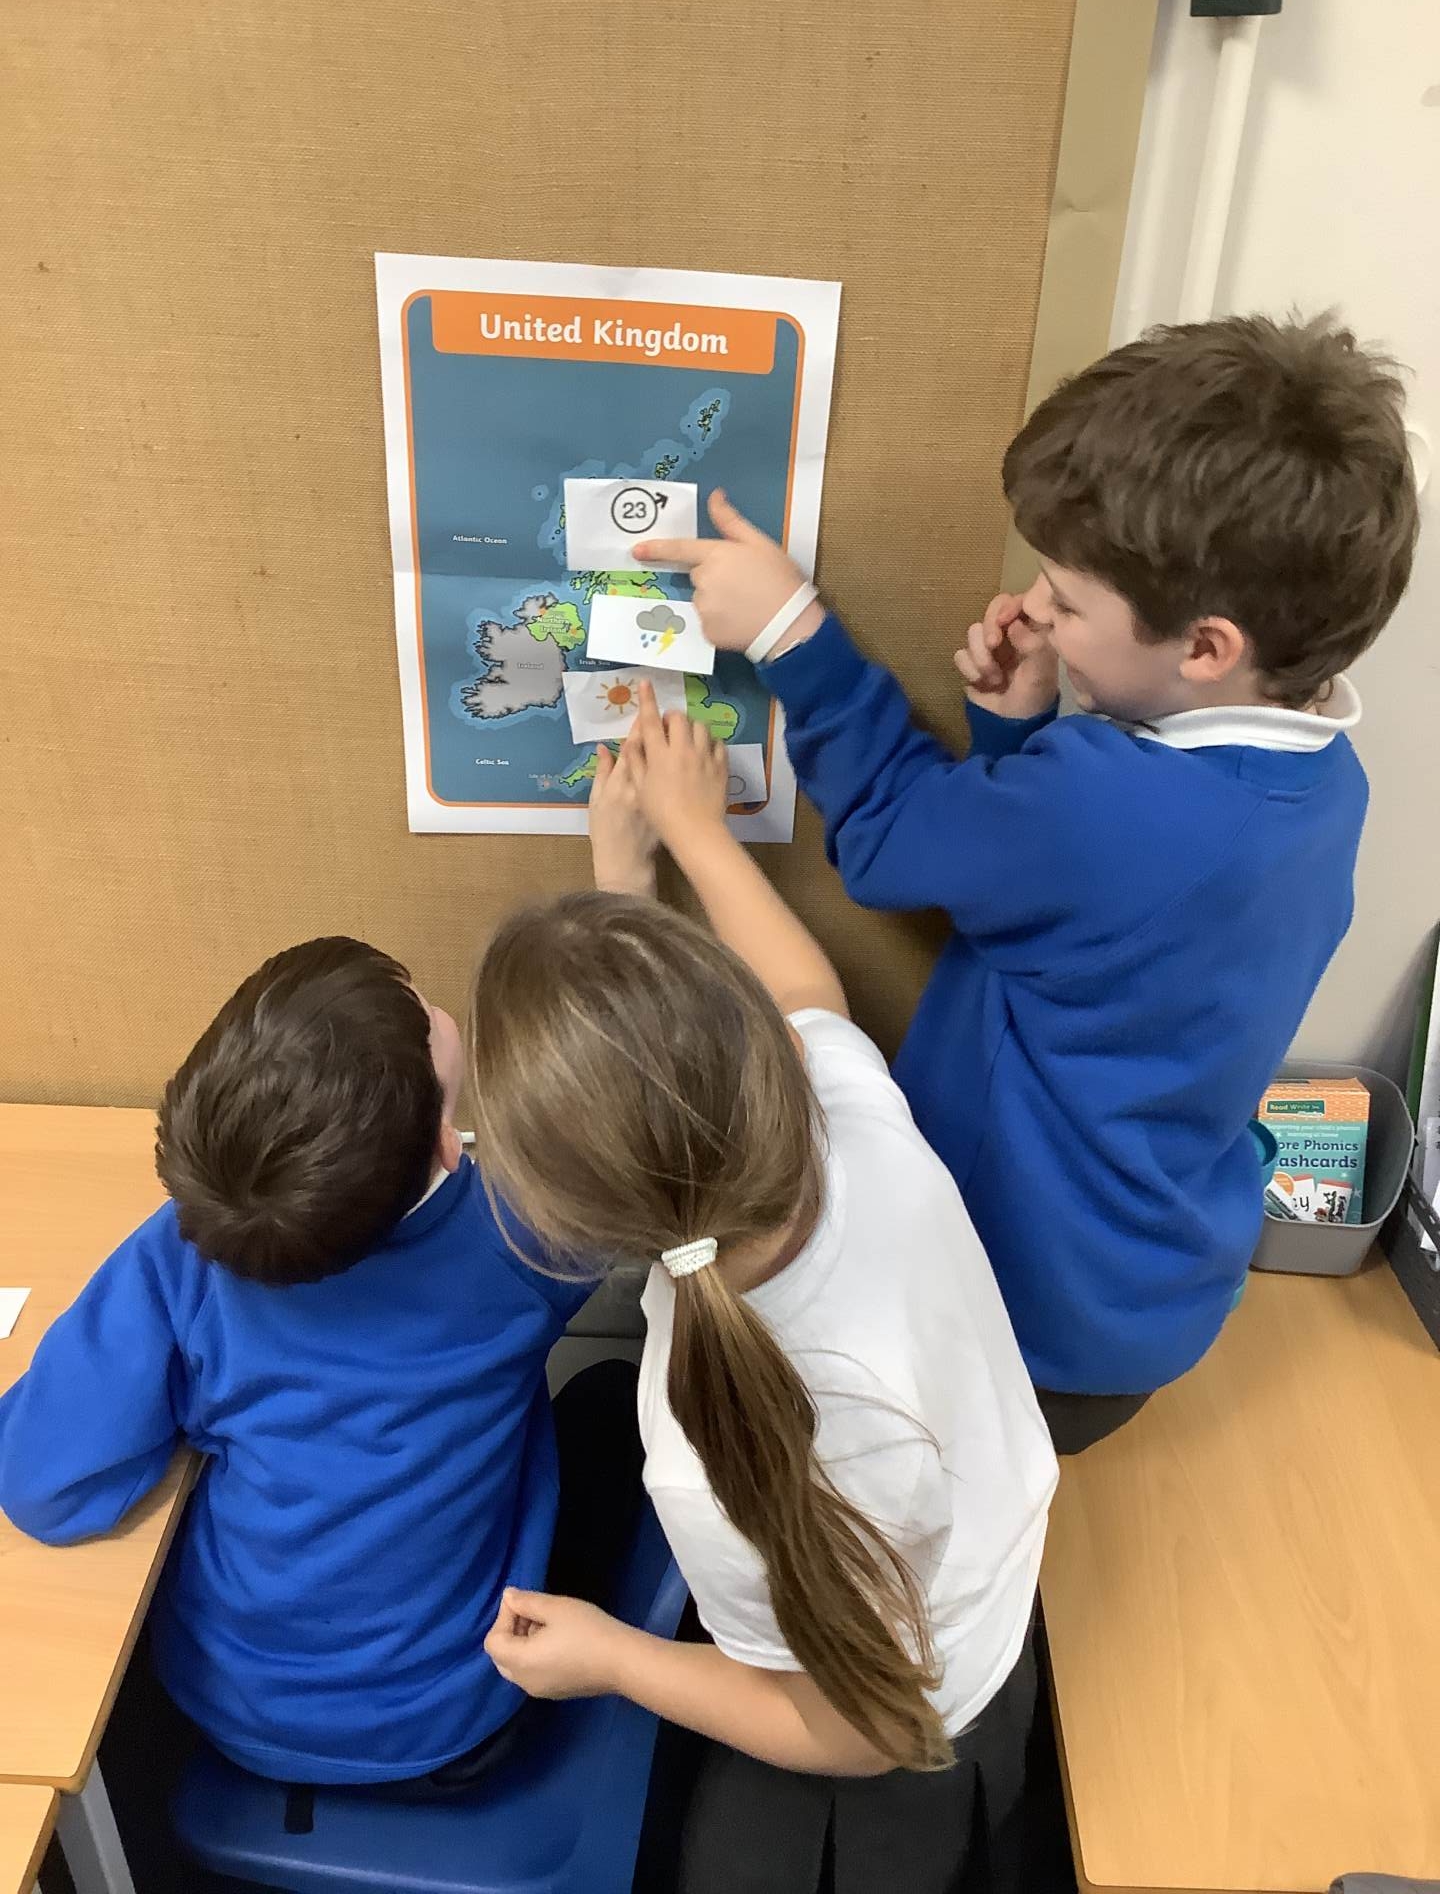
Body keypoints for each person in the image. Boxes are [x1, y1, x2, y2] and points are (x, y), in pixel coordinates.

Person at [636, 314, 1419, 1453]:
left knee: (917, 1522)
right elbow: (1087, 918)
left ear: (1205, 648)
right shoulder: (1323, 781)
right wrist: (1022, 742)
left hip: (1010, 1320)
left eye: (1066, 598)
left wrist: (793, 636)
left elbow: (891, 845)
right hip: (1142, 1285)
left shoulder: (1107, 806)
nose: (1038, 610)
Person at [476, 686, 1058, 1894]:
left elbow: (867, 1729)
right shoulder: (850, 1120)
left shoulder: (707, 1445)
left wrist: (614, 1659)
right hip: (968, 1576)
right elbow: (807, 993)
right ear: (781, 1062)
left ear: (584, 1232)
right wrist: (669, 852)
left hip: (915, 1719)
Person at [0, 936, 587, 1802]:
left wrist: (184, 1418)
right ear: (445, 1142)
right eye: (423, 1014)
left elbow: (43, 1485)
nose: (431, 1008)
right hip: (451, 1720)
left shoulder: (185, 1254)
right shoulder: (526, 1239)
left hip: (230, 1708)